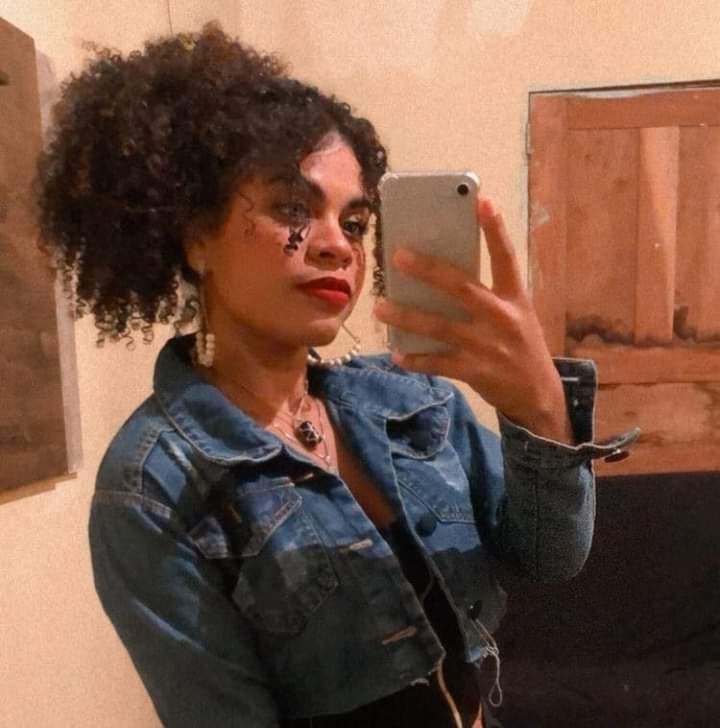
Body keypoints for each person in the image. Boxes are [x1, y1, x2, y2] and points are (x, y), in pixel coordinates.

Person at [36, 24, 635, 728]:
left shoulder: (413, 401)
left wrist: (540, 414)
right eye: (294, 209)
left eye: (353, 223)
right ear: (197, 236)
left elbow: (549, 559)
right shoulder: (155, 487)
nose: (336, 246)